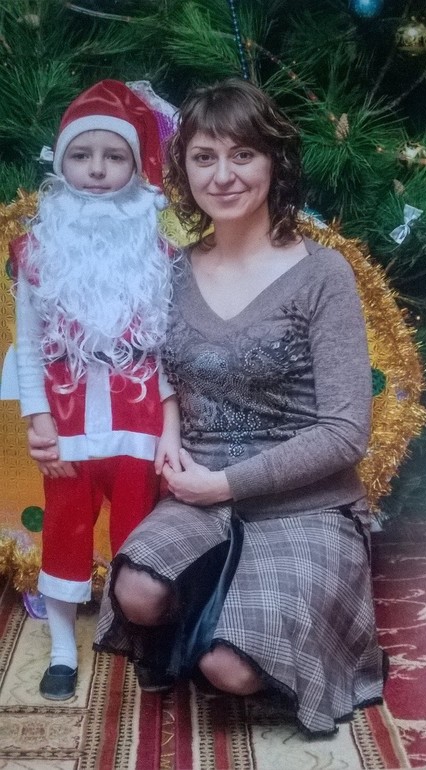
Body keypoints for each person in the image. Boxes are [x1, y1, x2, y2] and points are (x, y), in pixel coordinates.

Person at [31, 77, 386, 735]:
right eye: (204, 157)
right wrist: (150, 423)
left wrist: (224, 484)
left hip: (304, 503)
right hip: (198, 492)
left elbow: (346, 432)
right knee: (136, 592)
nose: (223, 176)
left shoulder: (322, 274)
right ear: (183, 169)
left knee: (231, 670)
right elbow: (144, 363)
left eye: (242, 154)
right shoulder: (169, 271)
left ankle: (256, 635)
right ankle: (217, 614)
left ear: (274, 162)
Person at [12, 79, 181, 701]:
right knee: (64, 528)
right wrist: (38, 418)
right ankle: (62, 647)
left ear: (136, 165)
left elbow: (169, 349)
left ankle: (140, 637)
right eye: (82, 156)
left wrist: (170, 426)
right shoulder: (34, 253)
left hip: (139, 421)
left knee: (140, 534)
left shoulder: (160, 253)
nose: (98, 170)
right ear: (62, 163)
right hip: (67, 422)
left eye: (114, 156)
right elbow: (28, 344)